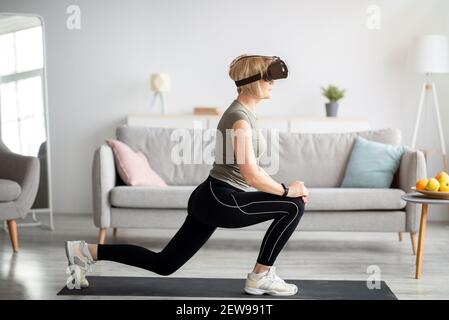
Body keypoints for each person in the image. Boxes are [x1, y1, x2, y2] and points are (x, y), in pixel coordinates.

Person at [65, 54, 309, 296]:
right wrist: (288, 191)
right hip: (220, 198)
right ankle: (260, 276)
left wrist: (286, 189)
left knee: (165, 264)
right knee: (294, 205)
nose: (273, 83)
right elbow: (251, 175)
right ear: (254, 81)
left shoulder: (245, 115)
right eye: (268, 78)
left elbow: (251, 168)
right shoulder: (240, 119)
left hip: (212, 196)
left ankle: (85, 252)